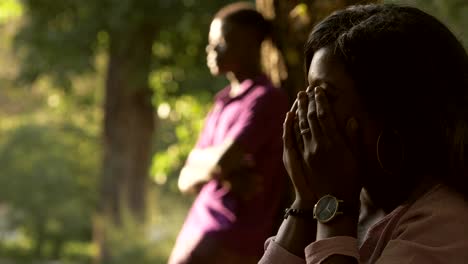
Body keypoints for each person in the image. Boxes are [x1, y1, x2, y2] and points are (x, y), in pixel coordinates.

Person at [259, 3, 468, 264]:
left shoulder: (446, 223)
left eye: (325, 96)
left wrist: (335, 207)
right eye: (308, 92)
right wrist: (305, 200)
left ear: (391, 111)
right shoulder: (356, 197)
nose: (305, 111)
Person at [168, 2, 288, 264]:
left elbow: (222, 160)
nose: (210, 50)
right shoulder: (222, 101)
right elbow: (185, 178)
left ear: (250, 44)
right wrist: (220, 168)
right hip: (197, 228)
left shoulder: (266, 100)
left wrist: (213, 164)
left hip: (231, 238)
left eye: (220, 42)